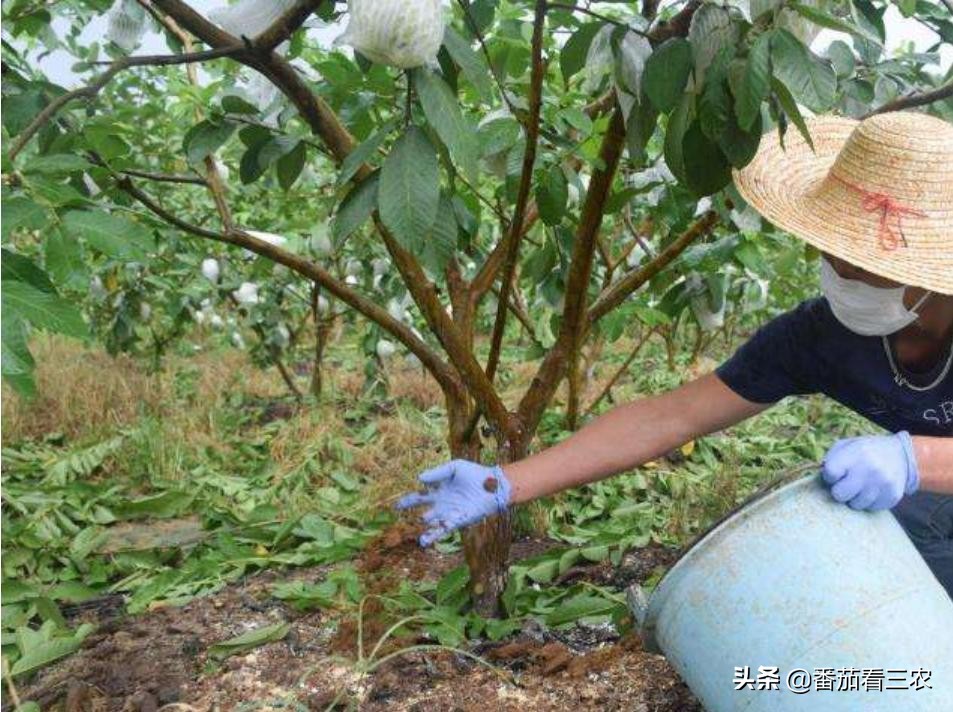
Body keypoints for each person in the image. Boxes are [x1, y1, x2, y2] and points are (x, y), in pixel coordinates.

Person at [395, 111, 953, 598]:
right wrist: (509, 482)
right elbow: (674, 416)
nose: (840, 272)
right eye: (833, 253)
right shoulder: (820, 337)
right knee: (898, 540)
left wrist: (914, 461)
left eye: (860, 261)